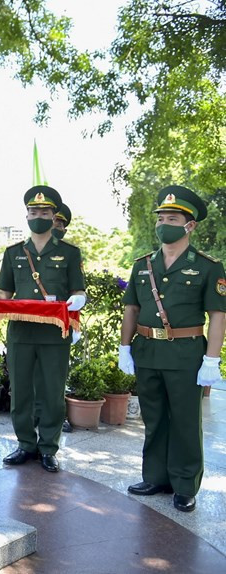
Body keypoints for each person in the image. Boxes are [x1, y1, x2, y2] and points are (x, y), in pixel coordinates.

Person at [118, 185, 225, 513]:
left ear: (190, 225)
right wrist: (124, 348)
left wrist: (212, 359)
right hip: (147, 352)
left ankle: (184, 485)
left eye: (172, 219)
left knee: (185, 422)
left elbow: (218, 315)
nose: (164, 224)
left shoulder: (207, 267)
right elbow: (131, 309)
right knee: (153, 419)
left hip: (185, 355)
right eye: (161, 218)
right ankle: (155, 477)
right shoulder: (143, 265)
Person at [0, 186, 86, 473]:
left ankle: (48, 448)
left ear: (54, 217)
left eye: (44, 212)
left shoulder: (69, 253)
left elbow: (78, 290)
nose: (39, 217)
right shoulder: (14, 253)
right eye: (33, 212)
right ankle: (25, 444)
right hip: (21, 333)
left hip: (54, 334)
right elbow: (4, 292)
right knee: (21, 392)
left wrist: (78, 301)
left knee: (52, 392)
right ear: (27, 216)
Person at [32, 203, 75, 434]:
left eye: (60, 224)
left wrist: (75, 324)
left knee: (54, 379)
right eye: (54, 221)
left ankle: (55, 420)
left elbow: (76, 292)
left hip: (58, 326)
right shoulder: (27, 251)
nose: (55, 227)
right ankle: (33, 419)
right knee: (31, 378)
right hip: (29, 326)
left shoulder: (69, 254)